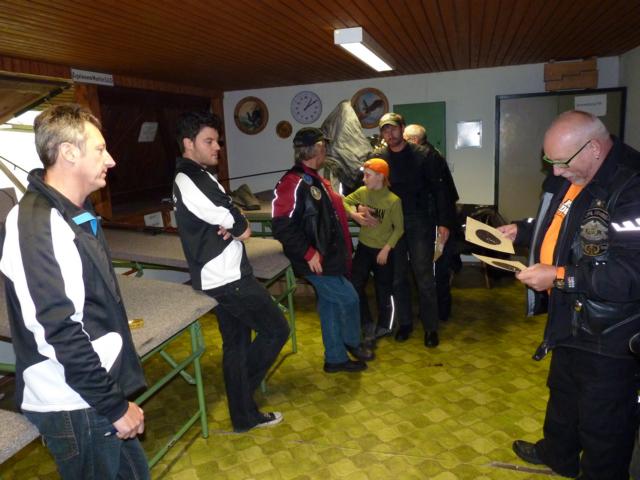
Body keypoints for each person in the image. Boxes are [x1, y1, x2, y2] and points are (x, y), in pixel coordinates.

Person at [0, 104, 149, 479]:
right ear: (68, 152)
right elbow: (59, 330)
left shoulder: (72, 211)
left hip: (90, 392)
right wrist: (114, 406)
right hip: (73, 402)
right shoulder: (38, 222)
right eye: (100, 149)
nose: (111, 160)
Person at [498, 110, 640, 479]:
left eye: (562, 162)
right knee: (563, 391)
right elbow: (562, 222)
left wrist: (560, 277)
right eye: (550, 161)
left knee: (604, 418)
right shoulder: (576, 174)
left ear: (593, 148)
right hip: (572, 313)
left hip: (610, 329)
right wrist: (523, 230)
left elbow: (630, 275)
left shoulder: (632, 186)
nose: (556, 172)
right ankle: (558, 454)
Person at [173, 111, 290, 433]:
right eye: (209, 141)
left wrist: (232, 220)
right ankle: (240, 397)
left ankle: (243, 416)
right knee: (276, 330)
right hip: (226, 279)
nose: (217, 147)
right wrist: (234, 222)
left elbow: (231, 215)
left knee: (236, 345)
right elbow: (240, 226)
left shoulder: (200, 175)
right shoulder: (191, 178)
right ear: (188, 143)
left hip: (224, 274)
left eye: (218, 141)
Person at [272, 127, 374, 373]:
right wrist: (308, 253)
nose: (326, 151)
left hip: (330, 255)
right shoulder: (292, 182)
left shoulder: (315, 179)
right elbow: (281, 225)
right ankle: (352, 341)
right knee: (349, 298)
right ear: (316, 149)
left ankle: (335, 359)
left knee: (329, 306)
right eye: (324, 147)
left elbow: (327, 215)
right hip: (315, 259)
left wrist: (352, 213)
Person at [376, 113, 457, 347]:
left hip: (419, 221)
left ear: (402, 128)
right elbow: (365, 186)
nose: (390, 134)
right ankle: (405, 324)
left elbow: (441, 190)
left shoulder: (425, 155)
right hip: (393, 224)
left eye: (393, 128)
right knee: (398, 277)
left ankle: (431, 328)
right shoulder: (378, 158)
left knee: (424, 276)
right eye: (385, 130)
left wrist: (444, 223)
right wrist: (361, 207)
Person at [403, 124, 461, 322]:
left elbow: (441, 195)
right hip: (436, 220)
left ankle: (438, 312)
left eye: (405, 139)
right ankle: (437, 311)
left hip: (435, 222)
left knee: (436, 268)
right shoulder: (432, 154)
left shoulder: (429, 157)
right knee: (434, 268)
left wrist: (443, 224)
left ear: (414, 140)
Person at [343, 158, 403, 344]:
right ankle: (366, 322)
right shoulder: (363, 192)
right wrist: (354, 213)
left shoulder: (393, 201)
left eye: (367, 176)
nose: (363, 179)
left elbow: (399, 229)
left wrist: (386, 249)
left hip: (383, 251)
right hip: (364, 247)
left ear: (380, 177)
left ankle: (385, 325)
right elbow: (343, 201)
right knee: (355, 285)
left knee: (383, 289)